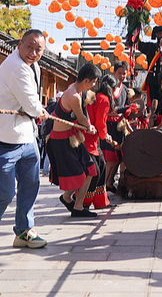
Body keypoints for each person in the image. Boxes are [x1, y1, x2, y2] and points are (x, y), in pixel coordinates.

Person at [0, 30, 49, 249]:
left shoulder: (33, 65)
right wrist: (39, 110)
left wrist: (36, 110)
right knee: (6, 192)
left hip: (26, 135)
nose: (33, 53)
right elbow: (32, 105)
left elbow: (31, 104)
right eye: (29, 46)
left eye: (39, 49)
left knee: (31, 185)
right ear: (19, 45)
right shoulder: (16, 66)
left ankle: (24, 231)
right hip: (2, 138)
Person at [47, 63, 101, 218]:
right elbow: (82, 118)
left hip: (72, 136)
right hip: (63, 140)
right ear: (86, 81)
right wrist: (90, 127)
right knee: (83, 173)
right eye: (93, 82)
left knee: (91, 170)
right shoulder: (73, 96)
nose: (93, 86)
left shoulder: (75, 89)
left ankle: (71, 200)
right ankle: (75, 205)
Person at [83, 74, 116, 209]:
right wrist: (105, 135)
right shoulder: (103, 99)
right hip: (90, 140)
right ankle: (83, 201)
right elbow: (100, 124)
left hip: (88, 137)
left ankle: (100, 201)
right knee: (95, 170)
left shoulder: (95, 97)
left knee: (101, 166)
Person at [135, 25, 162, 120]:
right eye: (159, 34)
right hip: (153, 81)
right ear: (156, 35)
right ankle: (152, 119)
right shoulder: (151, 47)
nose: (161, 36)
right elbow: (137, 44)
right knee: (153, 104)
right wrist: (135, 28)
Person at [103, 62, 128, 193]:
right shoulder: (109, 89)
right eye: (120, 73)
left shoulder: (125, 89)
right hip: (109, 125)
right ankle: (102, 185)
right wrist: (125, 109)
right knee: (110, 158)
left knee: (118, 157)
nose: (122, 76)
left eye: (124, 73)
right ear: (114, 73)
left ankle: (109, 182)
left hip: (120, 125)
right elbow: (109, 110)